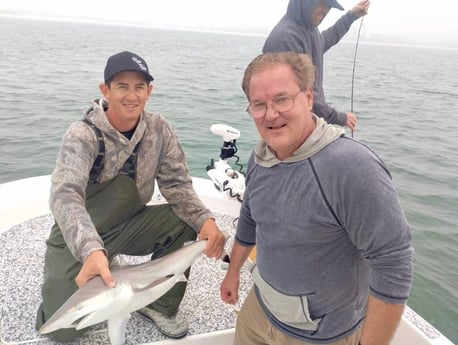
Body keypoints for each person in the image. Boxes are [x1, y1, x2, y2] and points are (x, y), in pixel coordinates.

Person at [220, 52, 413, 345]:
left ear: (309, 98)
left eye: (282, 99)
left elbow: (393, 263)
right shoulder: (261, 155)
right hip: (259, 311)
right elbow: (250, 216)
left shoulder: (351, 166)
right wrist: (233, 272)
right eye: (259, 105)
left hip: (322, 336)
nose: (270, 114)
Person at [36, 50, 226, 342]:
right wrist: (90, 249)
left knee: (185, 219)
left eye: (139, 87)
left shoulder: (159, 128)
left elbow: (177, 185)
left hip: (128, 224)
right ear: (105, 90)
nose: (131, 95)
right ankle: (94, 268)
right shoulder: (82, 135)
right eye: (122, 86)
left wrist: (205, 220)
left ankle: (159, 304)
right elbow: (65, 195)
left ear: (149, 91)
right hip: (79, 236)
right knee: (62, 331)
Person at [263, 0, 370, 131]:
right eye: (322, 3)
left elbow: (327, 39)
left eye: (329, 6)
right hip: (288, 130)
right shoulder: (285, 39)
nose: (326, 10)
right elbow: (302, 92)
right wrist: (341, 118)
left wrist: (351, 16)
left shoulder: (309, 30)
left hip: (307, 126)